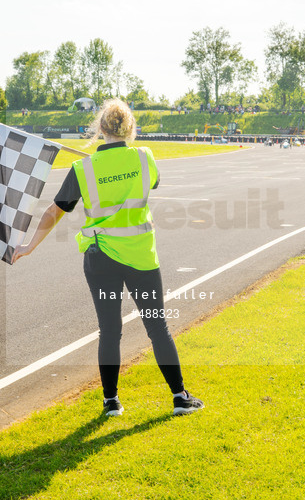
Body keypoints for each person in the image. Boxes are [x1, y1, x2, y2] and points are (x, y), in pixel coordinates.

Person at [11, 99, 204, 418]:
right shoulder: (144, 157)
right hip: (140, 256)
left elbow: (55, 210)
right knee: (157, 328)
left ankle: (111, 402)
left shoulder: (82, 168)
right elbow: (154, 182)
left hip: (100, 259)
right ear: (130, 129)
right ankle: (180, 397)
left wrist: (30, 246)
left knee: (110, 330)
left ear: (100, 129)